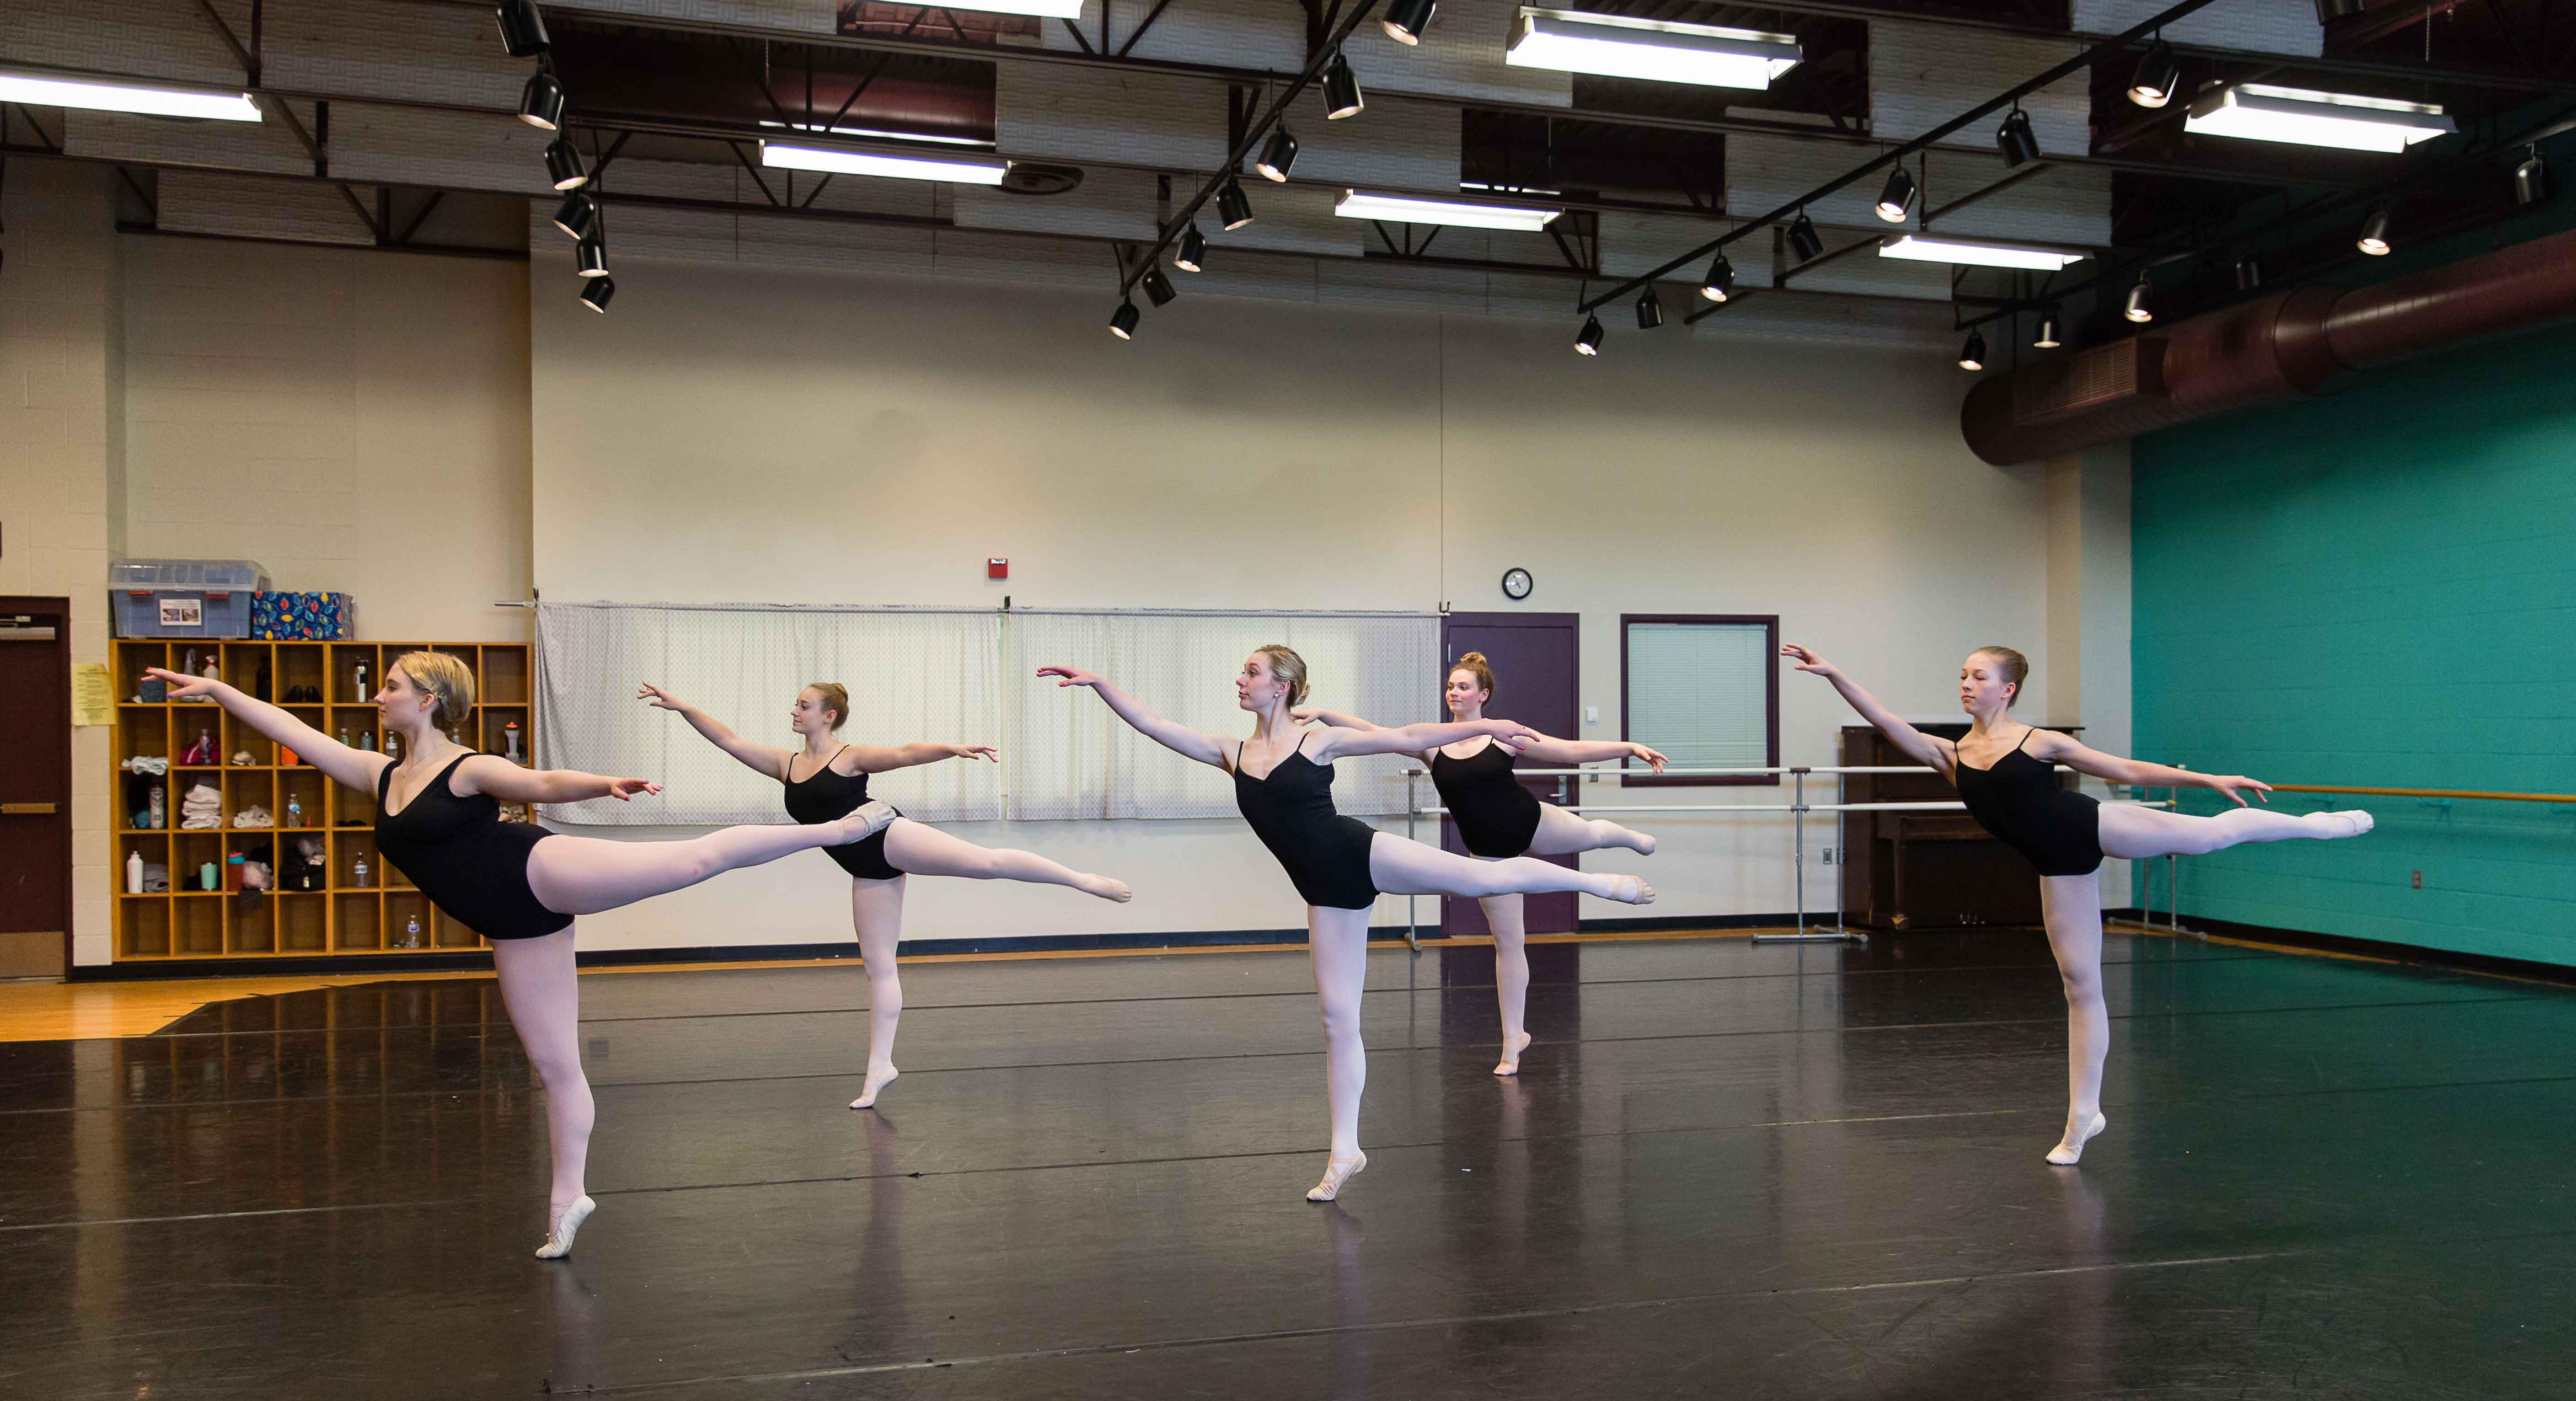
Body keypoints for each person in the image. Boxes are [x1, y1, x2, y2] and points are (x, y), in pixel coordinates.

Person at [147, 655, 895, 1259]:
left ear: (429, 700)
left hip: (533, 871)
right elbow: (294, 730)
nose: (379, 695)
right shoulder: (379, 773)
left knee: (693, 859)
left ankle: (837, 831)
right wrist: (217, 689)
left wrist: (602, 783)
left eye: (392, 686)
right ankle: (568, 1201)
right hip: (509, 925)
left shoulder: (466, 767)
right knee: (554, 1064)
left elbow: (537, 783)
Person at [1038, 646, 1653, 1202]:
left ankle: (1598, 883)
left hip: (1359, 853)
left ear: (1281, 686)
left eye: (1250, 672)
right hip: (1323, 893)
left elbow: (1405, 736)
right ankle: (1345, 1151)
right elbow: (1154, 725)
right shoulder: (1232, 752)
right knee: (1337, 1021)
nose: (1240, 680)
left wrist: (1484, 726)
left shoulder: (1317, 742)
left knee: (1481, 877)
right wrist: (1101, 684)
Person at [1780, 642, 2371, 1165]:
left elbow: (2122, 769)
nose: (1966, 684)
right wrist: (1833, 674)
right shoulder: (1951, 755)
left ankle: (2317, 826)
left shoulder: (2039, 741)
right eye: (1962, 675)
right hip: (2056, 867)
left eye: (1979, 676)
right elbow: (1885, 721)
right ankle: (2083, 1116)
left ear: (2007, 689)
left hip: (2096, 826)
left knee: (2213, 834)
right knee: (2079, 986)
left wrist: (2207, 779)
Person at [637, 680, 1131, 1109]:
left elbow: (904, 753)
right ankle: (880, 1067)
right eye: (797, 704)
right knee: (879, 967)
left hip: (888, 835)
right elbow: (728, 739)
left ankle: (1081, 880)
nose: (794, 711)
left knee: (985, 863)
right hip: (865, 870)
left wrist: (951, 749)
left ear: (828, 716)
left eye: (804, 705)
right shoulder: (785, 764)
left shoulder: (848, 757)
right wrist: (684, 708)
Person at [1295, 651, 1668, 1076]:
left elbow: (1569, 751)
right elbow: (1375, 732)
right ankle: (1514, 1039)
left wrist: (1628, 748)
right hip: (1491, 855)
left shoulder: (1503, 737)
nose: (1454, 692)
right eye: (1451, 686)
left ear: (1483, 694)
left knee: (1594, 835)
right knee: (1509, 944)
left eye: (1463, 687)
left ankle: (1634, 839)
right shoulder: (1432, 746)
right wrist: (1324, 713)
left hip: (1532, 823)